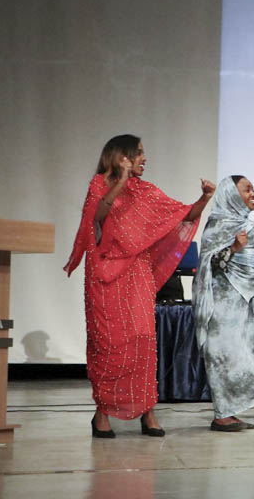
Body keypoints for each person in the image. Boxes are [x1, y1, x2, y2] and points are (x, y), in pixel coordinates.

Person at [65, 134, 214, 437]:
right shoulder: (99, 185)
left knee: (143, 342)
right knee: (109, 344)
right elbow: (97, 218)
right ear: (121, 156)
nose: (145, 158)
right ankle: (102, 413)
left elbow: (184, 215)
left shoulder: (146, 191)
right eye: (139, 153)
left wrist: (205, 198)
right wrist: (120, 181)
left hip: (137, 274)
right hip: (104, 277)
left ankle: (148, 412)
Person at [193, 176, 254, 432]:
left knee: (244, 358)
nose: (253, 194)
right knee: (223, 357)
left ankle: (230, 412)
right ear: (231, 194)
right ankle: (221, 415)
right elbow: (210, 266)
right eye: (247, 189)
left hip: (248, 305)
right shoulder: (216, 227)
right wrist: (233, 248)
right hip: (222, 307)